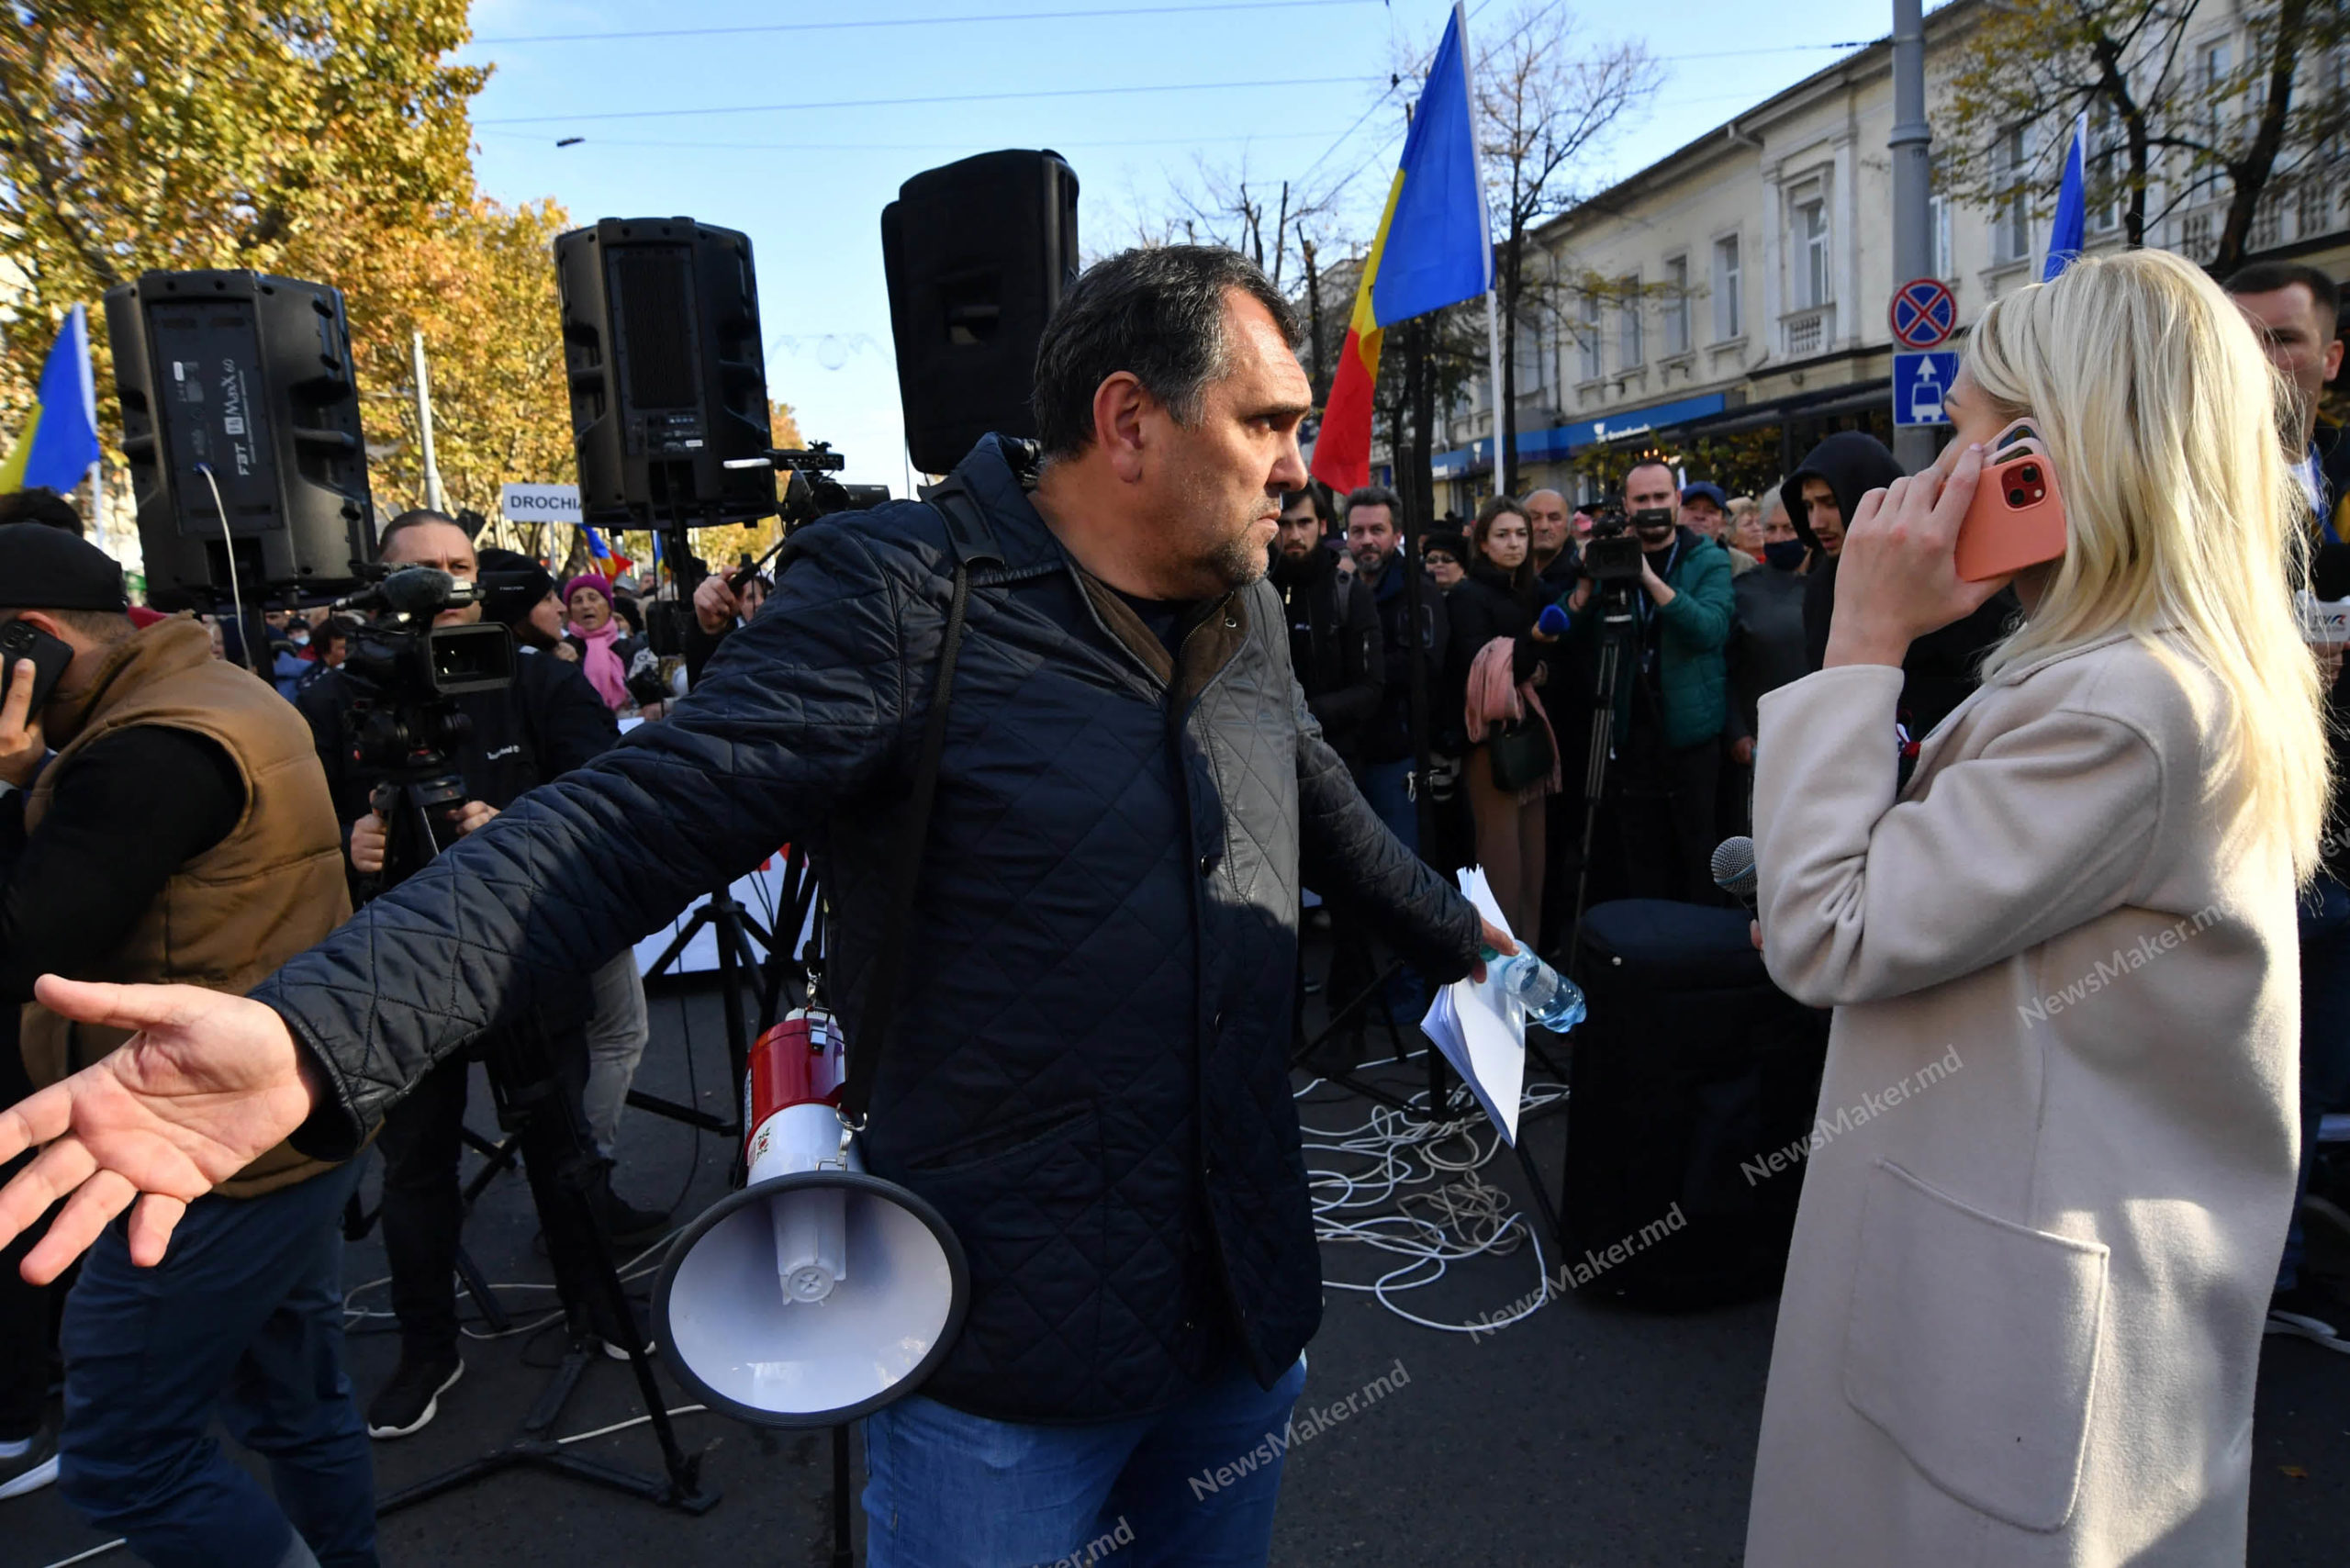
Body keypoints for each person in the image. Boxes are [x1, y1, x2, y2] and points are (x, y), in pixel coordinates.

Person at [0, 246, 1512, 1568]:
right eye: (1268, 422)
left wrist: (1472, 945)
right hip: (1003, 1353)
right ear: (1128, 421)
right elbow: (620, 825)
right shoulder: (903, 595)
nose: (1302, 465)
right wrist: (317, 1032)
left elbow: (1317, 799)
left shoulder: (1244, 607)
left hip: (1243, 1314)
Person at [1745, 248, 2328, 1565]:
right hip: (2014, 1302)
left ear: (2058, 459)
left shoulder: (2129, 705)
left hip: (2013, 1353)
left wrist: (1864, 640)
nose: (1925, 483)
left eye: (1963, 439)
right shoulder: (2147, 675)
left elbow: (1826, 931)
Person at [0, 528, 375, 1564]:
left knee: (124, 1458)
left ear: (25, 647)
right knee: (298, 1406)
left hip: (184, 1154)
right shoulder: (208, 691)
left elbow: (26, 938)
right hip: (284, 1122)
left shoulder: (143, 750)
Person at [294, 513, 662, 1440]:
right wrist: (344, 844)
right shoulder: (336, 704)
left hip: (524, 962)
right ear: (379, 584)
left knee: (562, 1145)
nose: (446, 586)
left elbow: (607, 800)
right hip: (393, 974)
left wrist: (521, 826)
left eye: (459, 567)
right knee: (416, 1167)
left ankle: (594, 1301)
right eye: (421, 572)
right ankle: (427, 1345)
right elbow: (289, 842)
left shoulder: (541, 680)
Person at [2225, 265, 2350, 1345]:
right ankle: (2254, 1277)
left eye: (2285, 341)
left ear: (2328, 358)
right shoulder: (2195, 493)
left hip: (2342, 830)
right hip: (2250, 834)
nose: (2268, 365)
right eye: (2246, 341)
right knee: (2258, 1059)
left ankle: (2295, 1259)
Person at [479, 549, 655, 1166]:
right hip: (565, 888)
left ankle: (569, 1168)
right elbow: (601, 782)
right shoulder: (548, 681)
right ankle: (589, 1172)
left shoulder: (543, 670)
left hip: (486, 903)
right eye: (550, 597)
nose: (564, 606)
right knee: (616, 1030)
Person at [1566, 460, 1736, 904]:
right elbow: (1573, 638)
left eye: (1661, 497)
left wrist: (1645, 575)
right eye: (1641, 499)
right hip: (1629, 734)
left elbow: (1709, 630)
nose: (1652, 507)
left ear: (1677, 501)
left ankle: (1701, 955)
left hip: (1690, 736)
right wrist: (1585, 582)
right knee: (1642, 857)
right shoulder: (1609, 557)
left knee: (1698, 853)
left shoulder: (1707, 558)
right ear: (1626, 505)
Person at [1783, 431, 2014, 745]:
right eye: (1808, 506)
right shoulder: (1821, 585)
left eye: (1828, 503)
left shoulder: (1941, 567)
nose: (1815, 522)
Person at [1449, 496, 1562, 941]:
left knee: (1533, 862)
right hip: (1490, 746)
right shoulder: (1467, 595)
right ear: (1483, 541)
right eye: (1503, 535)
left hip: (1528, 742)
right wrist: (1532, 644)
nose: (1514, 543)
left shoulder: (1529, 590)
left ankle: (1528, 976)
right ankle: (1499, 980)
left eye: (1521, 534)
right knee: (1502, 868)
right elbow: (1482, 667)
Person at [1344, 486, 1450, 861]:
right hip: (1350, 753)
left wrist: (1361, 673)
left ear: (1397, 535)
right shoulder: (1343, 592)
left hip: (1398, 755)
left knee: (1400, 862)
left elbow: (1424, 666)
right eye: (1358, 532)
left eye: (1377, 530)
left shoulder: (1418, 592)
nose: (1367, 540)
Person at [2225, 262, 2345, 541]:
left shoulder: (2341, 466)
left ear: (2331, 359)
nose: (2257, 358)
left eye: (2282, 340)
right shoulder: (2180, 492)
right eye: (2238, 339)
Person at [1720, 489, 1809, 837]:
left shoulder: (1830, 586)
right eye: (1769, 529)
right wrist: (1737, 732)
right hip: (1760, 745)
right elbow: (1726, 668)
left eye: (1788, 529)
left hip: (1817, 738)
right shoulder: (1743, 590)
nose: (1777, 538)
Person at [1270, 487, 1382, 767]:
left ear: (1321, 525)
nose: (1294, 535)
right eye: (1285, 524)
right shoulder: (1255, 593)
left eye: (1304, 523)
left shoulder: (1350, 594)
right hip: (1271, 758)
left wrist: (1305, 713)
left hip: (1337, 757)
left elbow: (1370, 688)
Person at [561, 574, 648, 714]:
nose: (586, 605)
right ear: (570, 612)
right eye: (578, 601)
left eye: (593, 598)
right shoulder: (561, 651)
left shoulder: (634, 649)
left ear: (609, 607)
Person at [1683, 480, 1755, 574]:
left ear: (1723, 524)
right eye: (1692, 508)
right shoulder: (1664, 558)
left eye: (1710, 511)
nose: (1700, 516)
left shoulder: (1744, 565)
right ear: (1676, 515)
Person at [1523, 488, 1580, 599]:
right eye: (1535, 518)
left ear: (1569, 525)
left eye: (1554, 518)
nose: (1544, 526)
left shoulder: (1581, 574)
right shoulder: (1507, 570)